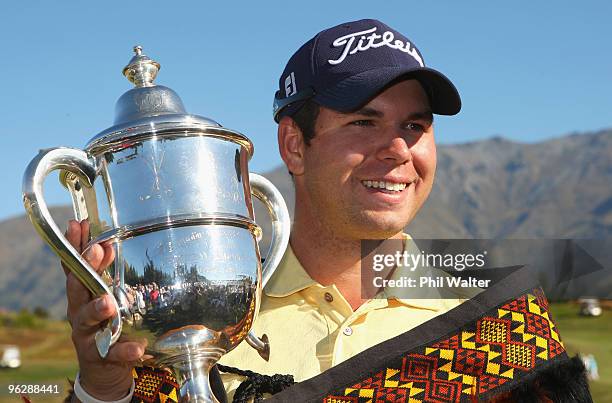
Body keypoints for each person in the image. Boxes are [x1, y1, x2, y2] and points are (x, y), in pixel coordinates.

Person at [63, 19, 590, 402]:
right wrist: (104, 389)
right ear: (294, 146)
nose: (399, 150)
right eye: (364, 122)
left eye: (416, 125)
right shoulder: (200, 324)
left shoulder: (501, 325)